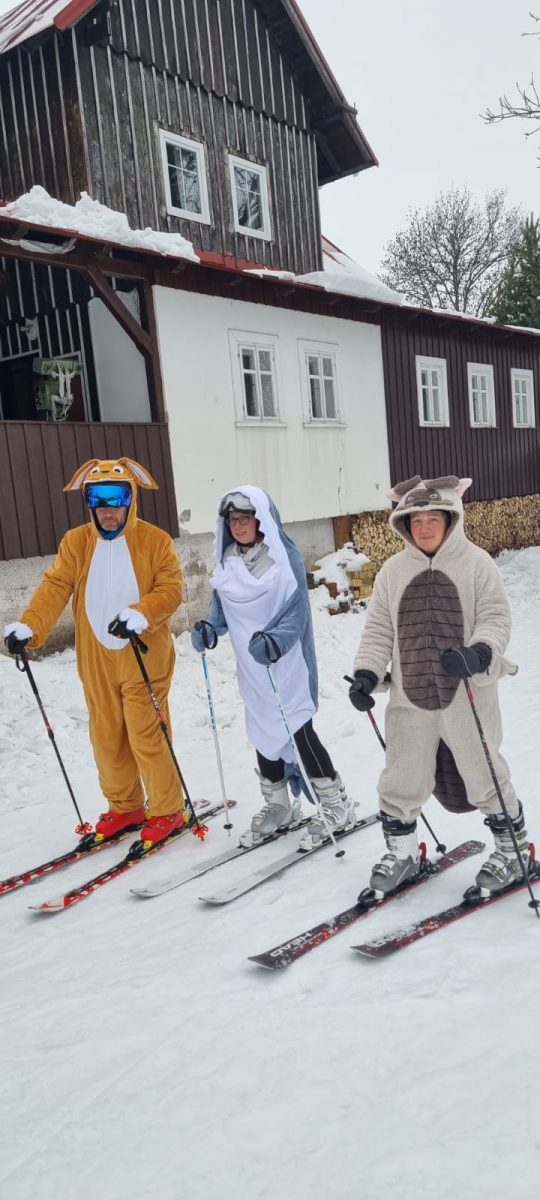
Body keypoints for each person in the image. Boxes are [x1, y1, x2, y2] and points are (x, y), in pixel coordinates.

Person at [348, 473, 530, 896]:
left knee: (484, 770)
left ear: (450, 519)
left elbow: (495, 616)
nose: (425, 527)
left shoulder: (476, 563)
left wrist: (479, 652)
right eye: (416, 520)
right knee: (400, 775)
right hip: (409, 697)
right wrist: (366, 673)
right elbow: (378, 630)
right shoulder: (393, 571)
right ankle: (403, 853)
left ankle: (513, 851)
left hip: (466, 695)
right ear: (404, 525)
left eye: (433, 519)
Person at [3, 456, 185, 846]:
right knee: (107, 736)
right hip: (97, 659)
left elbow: (171, 590)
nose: (107, 511)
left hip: (142, 655)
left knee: (146, 734)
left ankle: (167, 809)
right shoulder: (77, 542)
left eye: (115, 500)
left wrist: (142, 613)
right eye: (97, 501)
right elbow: (55, 586)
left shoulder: (155, 540)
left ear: (130, 498)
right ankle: (126, 806)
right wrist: (31, 626)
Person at [191, 486, 355, 849]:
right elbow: (220, 614)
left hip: (286, 664)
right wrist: (208, 630)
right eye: (232, 520)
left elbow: (297, 612)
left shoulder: (282, 557)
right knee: (261, 730)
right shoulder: (228, 563)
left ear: (260, 519)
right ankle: (278, 805)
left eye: (244, 518)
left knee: (299, 729)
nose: (238, 525)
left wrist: (275, 641)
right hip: (252, 670)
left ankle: (336, 804)